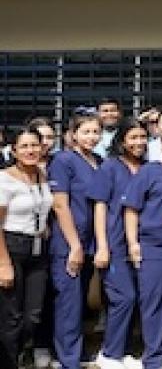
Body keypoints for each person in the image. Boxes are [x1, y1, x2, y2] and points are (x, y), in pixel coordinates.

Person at [123, 128, 162, 369]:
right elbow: (130, 208)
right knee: (154, 300)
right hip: (154, 246)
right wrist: (133, 243)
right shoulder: (149, 171)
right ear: (160, 145)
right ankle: (155, 357)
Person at [88, 118, 147, 369]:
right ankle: (109, 353)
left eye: (143, 137)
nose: (139, 143)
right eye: (133, 137)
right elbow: (100, 207)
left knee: (138, 299)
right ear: (122, 141)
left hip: (143, 244)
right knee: (124, 297)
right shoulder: (110, 168)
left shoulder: (148, 168)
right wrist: (102, 245)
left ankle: (124, 351)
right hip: (114, 243)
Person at [48, 111, 102, 369]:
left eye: (95, 132)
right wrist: (75, 245)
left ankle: (76, 352)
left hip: (91, 240)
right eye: (86, 132)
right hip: (69, 242)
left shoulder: (99, 161)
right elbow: (60, 205)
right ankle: (67, 358)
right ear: (73, 134)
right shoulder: (63, 160)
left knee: (79, 300)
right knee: (68, 301)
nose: (91, 137)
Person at [0, 128, 54, 369]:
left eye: (35, 145)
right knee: (11, 317)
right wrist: (3, 263)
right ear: (14, 150)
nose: (30, 151)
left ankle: (19, 354)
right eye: (24, 146)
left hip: (37, 248)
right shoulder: (5, 178)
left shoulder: (42, 174)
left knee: (33, 313)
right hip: (12, 246)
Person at [26, 116, 58, 368]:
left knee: (44, 298)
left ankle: (41, 345)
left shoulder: (57, 165)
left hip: (49, 242)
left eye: (49, 138)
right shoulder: (15, 170)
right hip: (18, 241)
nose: (45, 143)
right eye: (40, 138)